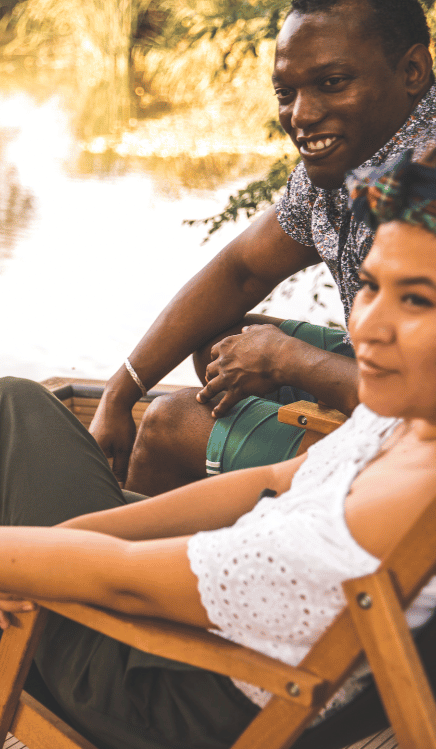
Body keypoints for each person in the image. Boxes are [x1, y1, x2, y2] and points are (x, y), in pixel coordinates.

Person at [0, 149, 436, 749]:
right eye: (370, 286)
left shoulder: (395, 507)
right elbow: (273, 481)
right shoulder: (407, 424)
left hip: (146, 698)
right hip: (188, 653)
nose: (367, 327)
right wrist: (31, 548)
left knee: (8, 407)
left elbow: (127, 581)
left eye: (417, 299)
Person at [92, 0, 435, 496]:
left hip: (420, 439)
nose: (301, 115)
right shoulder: (351, 156)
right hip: (392, 377)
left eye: (332, 82)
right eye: (286, 92)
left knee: (169, 423)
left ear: (412, 71)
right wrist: (119, 390)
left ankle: (135, 546)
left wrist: (286, 359)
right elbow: (242, 271)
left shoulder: (423, 183)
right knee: (220, 347)